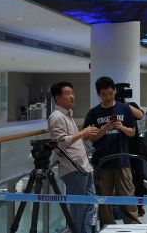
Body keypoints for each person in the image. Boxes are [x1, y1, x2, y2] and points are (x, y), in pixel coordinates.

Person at [83, 77, 140, 225]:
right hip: (102, 162)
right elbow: (92, 138)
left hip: (122, 160)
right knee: (104, 197)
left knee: (127, 195)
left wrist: (121, 127)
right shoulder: (93, 113)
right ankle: (107, 226)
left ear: (114, 91)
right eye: (104, 94)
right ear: (98, 94)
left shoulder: (124, 108)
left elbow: (132, 132)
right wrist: (106, 128)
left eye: (110, 93)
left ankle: (132, 226)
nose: (108, 97)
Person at [47, 82, 99, 233]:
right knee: (78, 207)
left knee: (90, 203)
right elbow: (60, 142)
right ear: (58, 98)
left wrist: (84, 136)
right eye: (67, 93)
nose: (72, 96)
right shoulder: (56, 117)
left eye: (72, 92)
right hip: (73, 169)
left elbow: (72, 140)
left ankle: (86, 230)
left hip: (83, 167)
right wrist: (83, 133)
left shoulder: (67, 115)